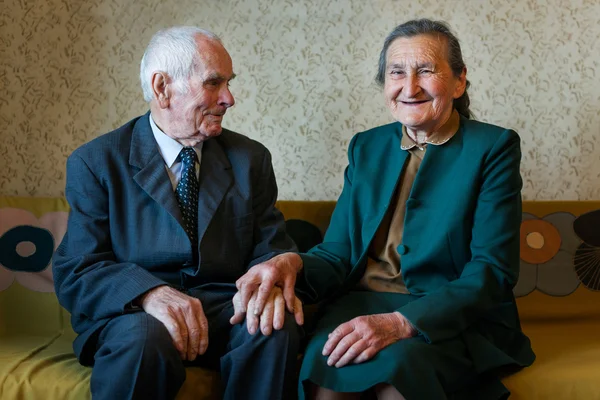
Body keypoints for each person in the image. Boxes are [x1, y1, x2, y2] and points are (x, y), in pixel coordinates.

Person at [235, 19, 535, 399]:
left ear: (459, 81)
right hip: (359, 306)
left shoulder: (494, 148)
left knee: (396, 383)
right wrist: (291, 263)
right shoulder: (366, 146)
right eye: (397, 72)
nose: (409, 87)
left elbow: (492, 269)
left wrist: (403, 322)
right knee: (327, 388)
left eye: (426, 71)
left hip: (447, 316)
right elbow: (336, 255)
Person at [53, 26, 304, 400]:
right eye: (214, 83)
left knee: (271, 326)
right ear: (162, 88)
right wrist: (150, 293)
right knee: (143, 341)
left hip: (224, 306)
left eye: (228, 83)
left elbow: (270, 245)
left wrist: (272, 271)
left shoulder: (250, 159)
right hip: (134, 314)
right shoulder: (97, 161)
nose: (229, 98)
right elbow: (78, 269)